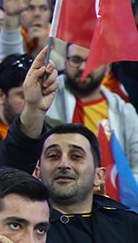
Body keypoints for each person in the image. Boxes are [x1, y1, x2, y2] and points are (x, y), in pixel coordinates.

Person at [0, 46, 138, 243]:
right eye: (52, 155)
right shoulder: (20, 230)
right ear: (37, 171)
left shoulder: (130, 225)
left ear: (99, 176)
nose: (63, 164)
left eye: (76, 156)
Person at [50, 43, 138, 185]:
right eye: (76, 60)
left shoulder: (125, 112)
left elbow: (136, 167)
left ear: (107, 68)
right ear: (65, 62)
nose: (82, 67)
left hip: (112, 195)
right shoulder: (47, 97)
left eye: (92, 60)